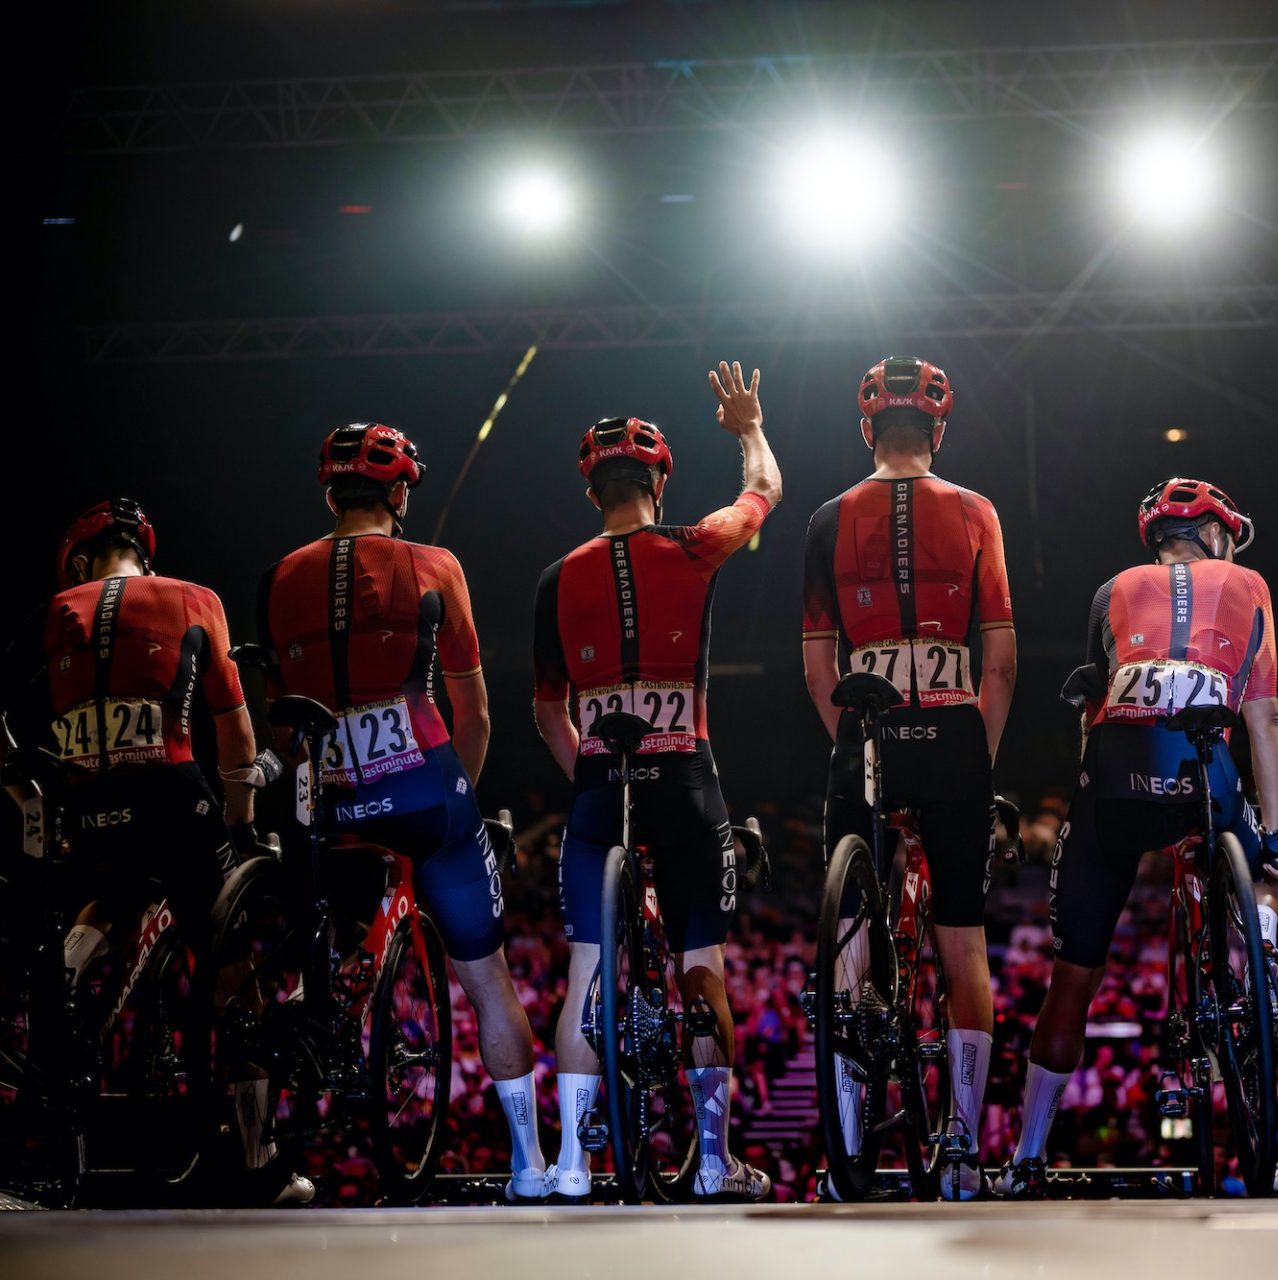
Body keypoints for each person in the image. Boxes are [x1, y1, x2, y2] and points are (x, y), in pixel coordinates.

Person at [257, 424, 547, 1201]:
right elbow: (475, 713)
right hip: (422, 783)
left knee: (317, 948)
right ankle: (530, 1167)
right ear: (398, 493)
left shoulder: (280, 576)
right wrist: (461, 804)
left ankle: (280, 1104)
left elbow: (281, 723)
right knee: (486, 982)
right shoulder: (434, 565)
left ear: (329, 494)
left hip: (324, 798)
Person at [2, 500, 311, 1203]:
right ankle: (264, 1167)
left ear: (80, 562)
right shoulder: (193, 598)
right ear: (141, 551)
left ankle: (68, 1009)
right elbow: (234, 735)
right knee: (237, 980)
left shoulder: (53, 613)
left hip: (82, 808)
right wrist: (239, 822)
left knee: (86, 919)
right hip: (173, 801)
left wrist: (19, 788)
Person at [999, 477, 1278, 1197]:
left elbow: (1095, 702)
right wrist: (1276, 834)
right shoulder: (1251, 583)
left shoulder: (1110, 590)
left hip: (1116, 782)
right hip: (1208, 778)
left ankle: (1027, 1155)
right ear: (1219, 535)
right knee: (1262, 859)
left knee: (1072, 979)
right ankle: (1257, 935)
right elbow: (1265, 724)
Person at [533, 363, 782, 1203]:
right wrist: (747, 425)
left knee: (583, 973)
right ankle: (712, 1164)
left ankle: (570, 1166)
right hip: (686, 779)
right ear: (658, 479)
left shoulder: (554, 579)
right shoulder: (693, 544)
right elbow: (766, 490)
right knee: (701, 959)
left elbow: (545, 712)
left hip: (602, 785)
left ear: (591, 489)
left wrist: (593, 778)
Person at [800, 356, 1016, 1200]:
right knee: (963, 940)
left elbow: (819, 663)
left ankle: (849, 1138)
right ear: (938, 430)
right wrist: (977, 758)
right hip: (956, 723)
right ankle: (962, 1141)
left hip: (867, 733)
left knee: (854, 927)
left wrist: (855, 739)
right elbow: (999, 662)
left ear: (867, 431)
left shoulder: (826, 518)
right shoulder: (976, 511)